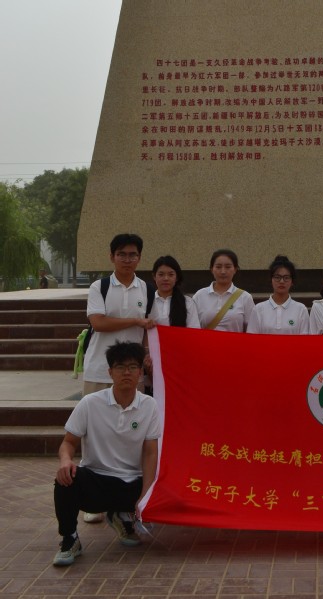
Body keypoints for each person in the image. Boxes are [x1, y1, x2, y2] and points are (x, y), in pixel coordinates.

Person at [52, 341, 161, 567]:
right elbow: (68, 442)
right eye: (120, 367)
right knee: (65, 478)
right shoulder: (90, 403)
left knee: (160, 480)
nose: (127, 372)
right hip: (96, 480)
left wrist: (146, 494)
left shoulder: (149, 406)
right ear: (110, 372)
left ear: (140, 372)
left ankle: (122, 516)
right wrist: (65, 460)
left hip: (131, 483)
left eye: (133, 367)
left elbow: (150, 453)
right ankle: (70, 539)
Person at [81, 233, 155, 523]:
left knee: (130, 435)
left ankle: (125, 498)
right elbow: (98, 322)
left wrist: (146, 357)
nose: (127, 259)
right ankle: (93, 501)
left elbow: (149, 330)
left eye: (133, 254)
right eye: (122, 254)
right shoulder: (99, 287)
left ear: (139, 258)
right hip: (99, 369)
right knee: (93, 431)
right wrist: (135, 320)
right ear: (112, 256)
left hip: (131, 374)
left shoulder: (147, 289)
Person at [143, 256, 200, 391]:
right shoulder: (146, 301)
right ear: (154, 276)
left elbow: (193, 333)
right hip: (151, 360)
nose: (166, 278)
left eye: (170, 274)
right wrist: (146, 355)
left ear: (177, 277)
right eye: (161, 274)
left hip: (179, 361)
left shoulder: (187, 302)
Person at [192, 249, 254, 331]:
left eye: (228, 267)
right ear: (211, 269)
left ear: (235, 269)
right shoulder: (199, 296)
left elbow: (251, 329)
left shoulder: (245, 297)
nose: (223, 271)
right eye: (218, 267)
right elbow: (192, 327)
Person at [247, 255, 309, 334]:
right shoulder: (258, 309)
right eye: (277, 277)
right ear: (271, 280)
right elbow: (251, 338)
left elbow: (304, 339)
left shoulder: (301, 310)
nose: (281, 281)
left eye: (286, 277)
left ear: (292, 281)